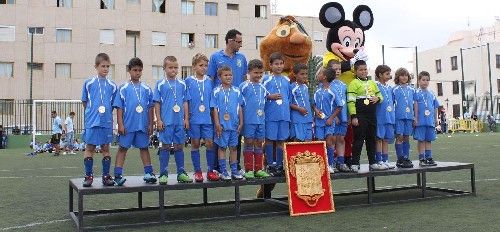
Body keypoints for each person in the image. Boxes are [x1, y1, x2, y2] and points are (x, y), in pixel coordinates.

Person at [112, 58, 157, 186]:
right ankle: (117, 175)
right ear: (129, 70)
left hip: (142, 125)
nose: (137, 73)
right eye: (134, 70)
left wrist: (151, 124)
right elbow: (119, 108)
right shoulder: (123, 88)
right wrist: (120, 124)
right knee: (122, 148)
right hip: (128, 125)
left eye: (139, 70)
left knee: (144, 148)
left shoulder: (146, 88)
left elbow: (150, 107)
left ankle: (149, 173)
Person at [208, 29, 248, 173]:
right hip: (220, 106)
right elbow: (210, 79)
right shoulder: (215, 57)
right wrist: (211, 104)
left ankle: (235, 167)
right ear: (230, 41)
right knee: (219, 136)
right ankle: (217, 168)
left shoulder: (241, 59)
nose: (241, 45)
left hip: (235, 105)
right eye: (239, 42)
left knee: (236, 137)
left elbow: (244, 80)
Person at [154, 56, 193, 185]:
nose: (173, 70)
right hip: (166, 122)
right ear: (164, 69)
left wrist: (186, 118)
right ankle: (163, 174)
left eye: (176, 67)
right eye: (170, 67)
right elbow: (157, 103)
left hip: (179, 122)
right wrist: (158, 120)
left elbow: (185, 102)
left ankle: (181, 173)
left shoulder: (182, 84)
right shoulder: (160, 84)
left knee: (179, 146)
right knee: (165, 146)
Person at [81, 53, 117, 187]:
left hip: (106, 121)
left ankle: (106, 176)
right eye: (103, 66)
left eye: (108, 66)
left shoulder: (113, 85)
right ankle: (88, 176)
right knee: (89, 147)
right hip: (92, 121)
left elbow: (113, 104)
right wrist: (91, 114)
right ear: (96, 66)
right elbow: (85, 102)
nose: (106, 69)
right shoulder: (88, 83)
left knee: (106, 147)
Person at [185, 53, 219, 182]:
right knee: (195, 143)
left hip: (207, 119)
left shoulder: (210, 82)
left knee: (210, 143)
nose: (204, 68)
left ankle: (210, 171)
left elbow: (213, 102)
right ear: (194, 66)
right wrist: (186, 117)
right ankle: (198, 171)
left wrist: (215, 120)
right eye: (201, 65)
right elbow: (186, 101)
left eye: (206, 65)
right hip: (194, 118)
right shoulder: (188, 81)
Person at [347, 60, 385, 172]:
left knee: (371, 139)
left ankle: (372, 162)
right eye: (360, 70)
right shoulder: (353, 83)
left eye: (365, 69)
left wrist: (378, 98)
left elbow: (380, 95)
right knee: (358, 140)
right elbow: (350, 101)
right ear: (355, 71)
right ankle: (355, 163)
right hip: (360, 116)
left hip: (372, 116)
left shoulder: (372, 82)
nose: (363, 71)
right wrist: (353, 116)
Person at [211, 66, 244, 180]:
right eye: (225, 75)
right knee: (222, 147)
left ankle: (234, 170)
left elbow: (239, 107)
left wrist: (241, 122)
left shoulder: (236, 90)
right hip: (222, 126)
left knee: (234, 147)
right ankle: (223, 171)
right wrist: (217, 124)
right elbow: (214, 108)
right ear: (219, 77)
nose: (228, 77)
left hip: (234, 125)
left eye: (230, 75)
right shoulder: (216, 91)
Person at [239, 59, 270, 179]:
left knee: (258, 143)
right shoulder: (244, 86)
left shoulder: (263, 87)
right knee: (249, 142)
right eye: (255, 73)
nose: (258, 75)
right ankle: (248, 170)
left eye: (260, 73)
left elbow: (266, 98)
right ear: (249, 72)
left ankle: (258, 169)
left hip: (260, 120)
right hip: (248, 120)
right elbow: (239, 104)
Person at [262, 52, 291, 176]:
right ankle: (270, 164)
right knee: (269, 140)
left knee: (281, 140)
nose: (279, 66)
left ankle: (280, 165)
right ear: (270, 65)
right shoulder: (266, 79)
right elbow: (261, 95)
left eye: (281, 64)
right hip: (271, 115)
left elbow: (289, 97)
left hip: (284, 115)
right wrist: (270, 96)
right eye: (276, 64)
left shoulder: (287, 80)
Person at [413, 71, 440, 166]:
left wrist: (436, 119)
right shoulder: (415, 92)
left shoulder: (432, 93)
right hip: (420, 121)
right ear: (419, 81)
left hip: (430, 121)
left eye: (427, 80)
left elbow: (435, 106)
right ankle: (422, 158)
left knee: (429, 139)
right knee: (421, 140)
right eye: (423, 80)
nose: (425, 82)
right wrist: (415, 118)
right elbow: (415, 106)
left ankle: (429, 157)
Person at [313, 67, 337, 173]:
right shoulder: (317, 90)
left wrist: (331, 118)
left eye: (319, 73)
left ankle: (330, 164)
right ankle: (320, 164)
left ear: (324, 77)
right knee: (319, 142)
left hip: (329, 122)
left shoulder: (333, 90)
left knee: (329, 142)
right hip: (319, 122)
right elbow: (313, 104)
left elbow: (339, 106)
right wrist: (316, 110)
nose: (317, 75)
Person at [392, 67, 415, 168]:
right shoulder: (395, 89)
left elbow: (415, 104)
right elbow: (391, 104)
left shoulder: (412, 89)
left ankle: (406, 157)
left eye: (406, 75)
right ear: (398, 77)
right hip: (399, 116)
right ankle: (400, 159)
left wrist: (414, 117)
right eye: (402, 75)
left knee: (406, 137)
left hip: (409, 117)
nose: (404, 77)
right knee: (399, 137)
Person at [330, 63, 350, 172]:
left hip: (343, 116)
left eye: (339, 69)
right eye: (335, 69)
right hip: (333, 116)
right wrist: (333, 116)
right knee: (332, 139)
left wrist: (348, 115)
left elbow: (346, 101)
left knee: (341, 139)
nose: (338, 71)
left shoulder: (344, 85)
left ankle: (341, 162)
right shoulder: (327, 84)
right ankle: (331, 162)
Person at [374, 65, 396, 169]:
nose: (389, 76)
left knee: (386, 139)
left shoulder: (390, 88)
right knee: (379, 139)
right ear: (380, 75)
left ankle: (385, 160)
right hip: (380, 117)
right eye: (387, 74)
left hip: (389, 117)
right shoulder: (375, 86)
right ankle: (379, 161)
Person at [290, 63, 313, 142]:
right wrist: (299, 109)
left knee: (308, 141)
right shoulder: (291, 87)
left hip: (308, 119)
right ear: (295, 74)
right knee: (298, 141)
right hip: (297, 119)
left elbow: (309, 102)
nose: (305, 76)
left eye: (306, 74)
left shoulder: (306, 87)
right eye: (302, 74)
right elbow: (288, 103)